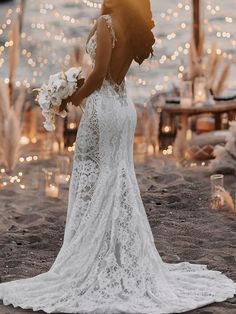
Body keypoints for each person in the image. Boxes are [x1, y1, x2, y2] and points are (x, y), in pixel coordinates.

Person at [0, 0, 235, 313]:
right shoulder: (127, 25)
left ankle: (97, 257)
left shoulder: (107, 24)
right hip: (123, 108)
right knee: (117, 177)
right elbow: (113, 74)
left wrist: (70, 98)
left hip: (102, 110)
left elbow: (98, 75)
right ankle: (116, 255)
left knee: (91, 175)